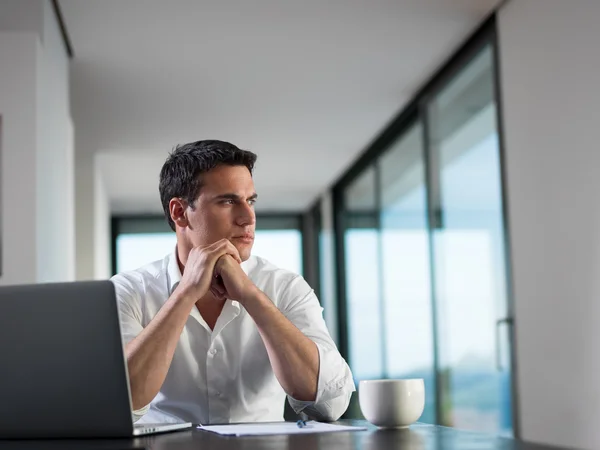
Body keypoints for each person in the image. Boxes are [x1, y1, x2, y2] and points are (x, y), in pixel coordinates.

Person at [111, 140, 355, 425]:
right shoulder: (128, 291)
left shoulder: (286, 287)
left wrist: (252, 296)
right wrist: (186, 293)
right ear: (179, 212)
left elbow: (330, 404)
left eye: (250, 201)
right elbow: (118, 404)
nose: (248, 217)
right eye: (228, 201)